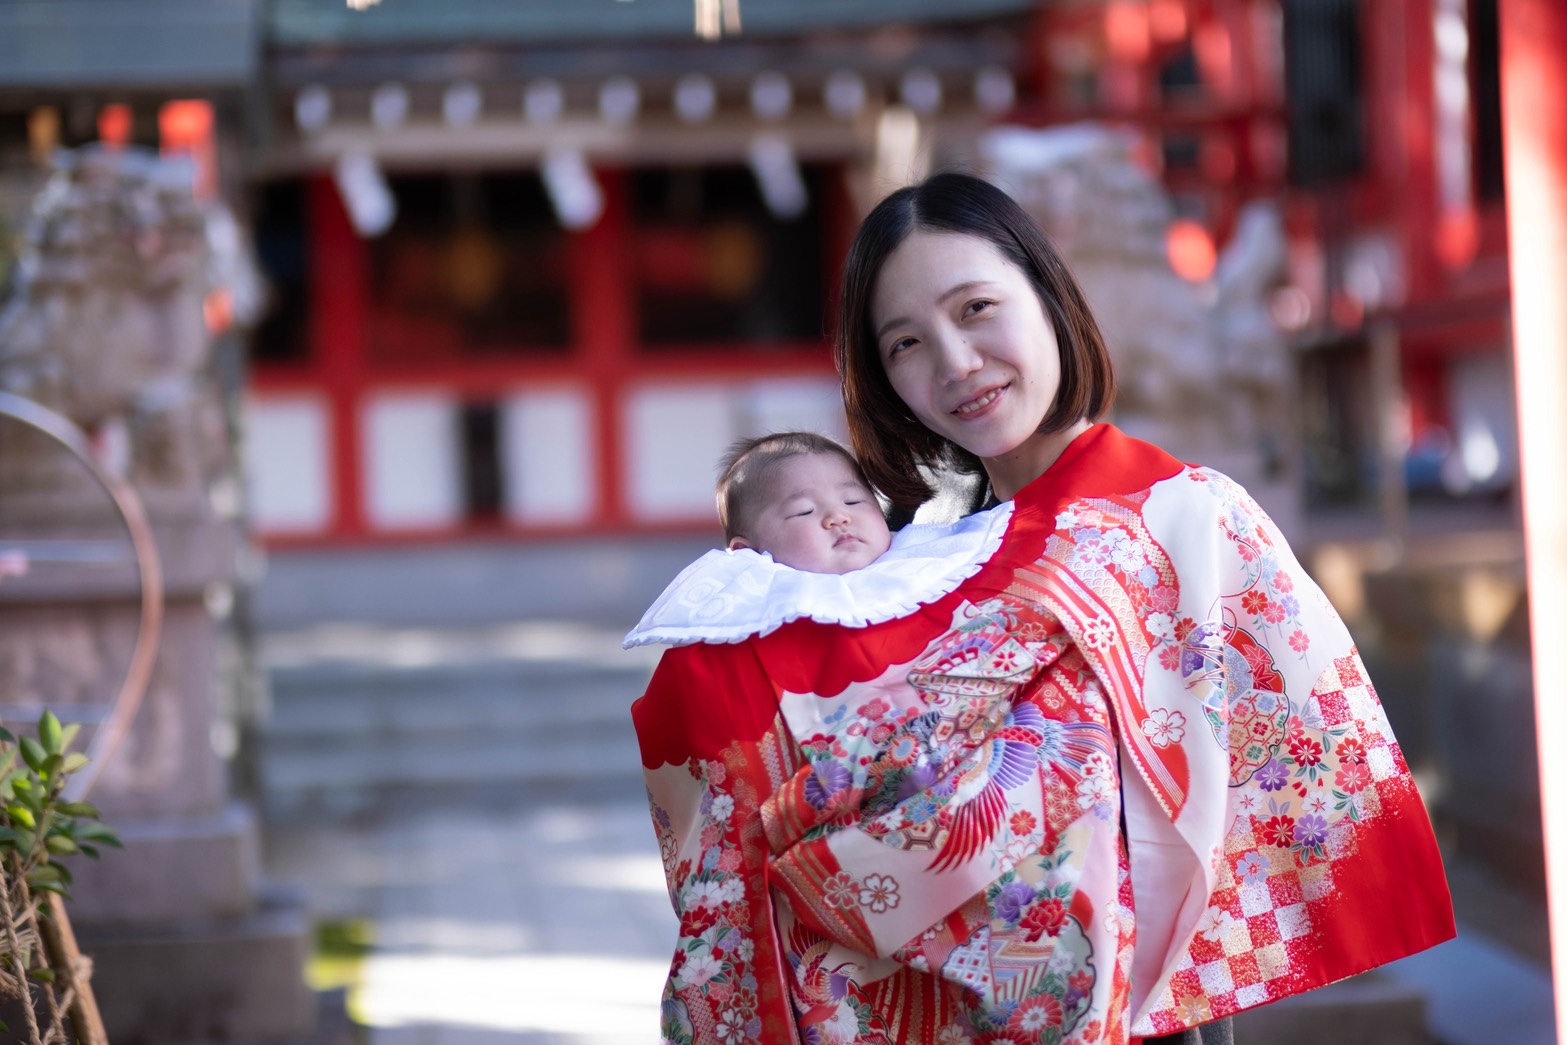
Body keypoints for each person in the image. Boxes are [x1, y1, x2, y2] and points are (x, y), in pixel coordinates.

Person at [627, 172, 1454, 1045]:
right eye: (905, 343)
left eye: (976, 307)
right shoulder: (899, 566)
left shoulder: (1183, 517)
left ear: (1049, 295)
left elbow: (1284, 801)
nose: (954, 363)